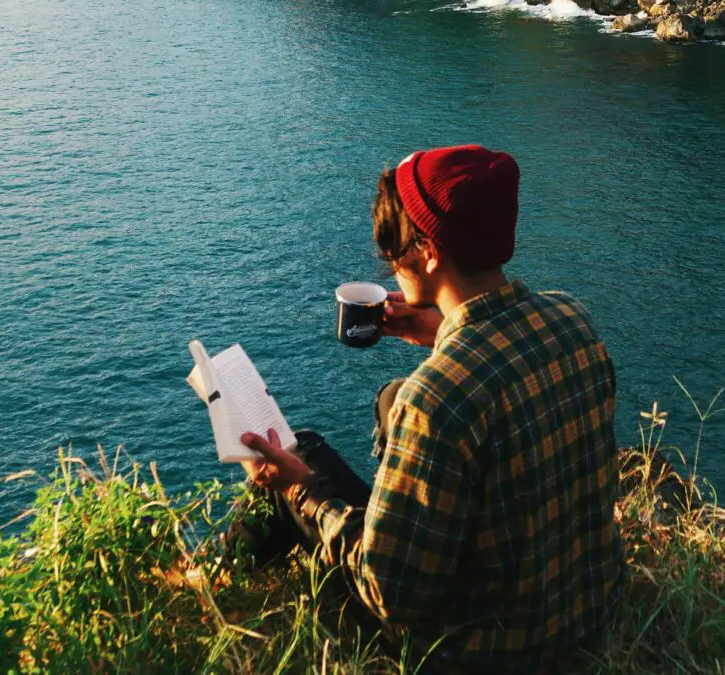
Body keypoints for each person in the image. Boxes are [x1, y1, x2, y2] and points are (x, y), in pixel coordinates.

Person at [229, 144, 623, 673]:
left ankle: (208, 587)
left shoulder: (435, 399)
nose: (390, 264)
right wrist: (443, 335)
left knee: (298, 464)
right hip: (586, 616)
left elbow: (388, 593)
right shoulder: (572, 318)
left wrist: (299, 491)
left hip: (483, 653)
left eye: (393, 248)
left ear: (430, 252)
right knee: (343, 430)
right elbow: (502, 379)